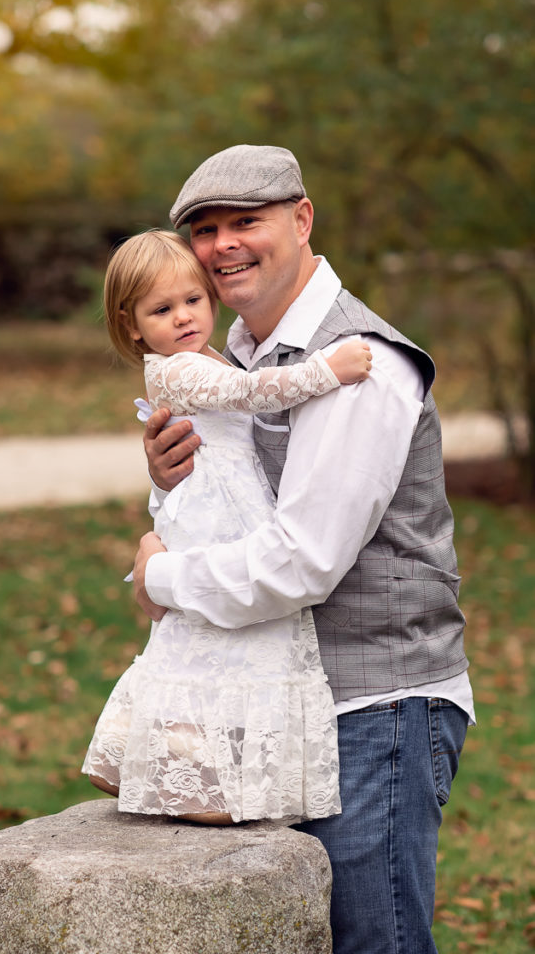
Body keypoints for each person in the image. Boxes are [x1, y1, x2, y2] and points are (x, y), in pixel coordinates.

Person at [133, 146, 474, 954]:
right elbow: (237, 511)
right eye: (206, 230)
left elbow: (302, 560)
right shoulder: (239, 362)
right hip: (286, 703)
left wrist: (162, 576)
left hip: (376, 708)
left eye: (245, 222)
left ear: (302, 218)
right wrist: (167, 484)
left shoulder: (361, 364)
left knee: (372, 944)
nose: (223, 246)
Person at [82, 228, 372, 825]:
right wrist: (329, 369)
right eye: (162, 310)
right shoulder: (175, 370)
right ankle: (180, 773)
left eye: (192, 299)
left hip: (233, 508)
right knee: (205, 640)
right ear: (132, 324)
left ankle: (223, 774)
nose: (184, 317)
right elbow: (248, 393)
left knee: (239, 643)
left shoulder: (213, 354)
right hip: (214, 518)